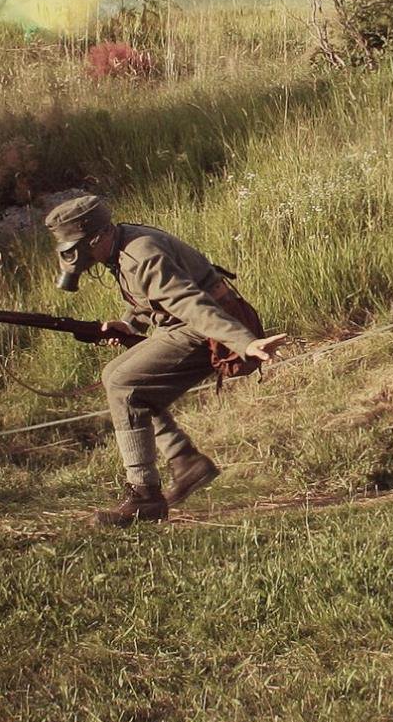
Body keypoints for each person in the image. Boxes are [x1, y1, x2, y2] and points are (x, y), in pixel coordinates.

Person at [44, 194, 289, 526]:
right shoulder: (121, 244)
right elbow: (150, 298)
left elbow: (189, 303)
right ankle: (185, 461)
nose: (77, 260)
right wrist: (129, 323)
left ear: (97, 237)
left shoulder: (141, 254)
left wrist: (245, 343)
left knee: (123, 383)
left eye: (78, 249)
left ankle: (145, 497)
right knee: (114, 375)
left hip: (209, 327)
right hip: (188, 325)